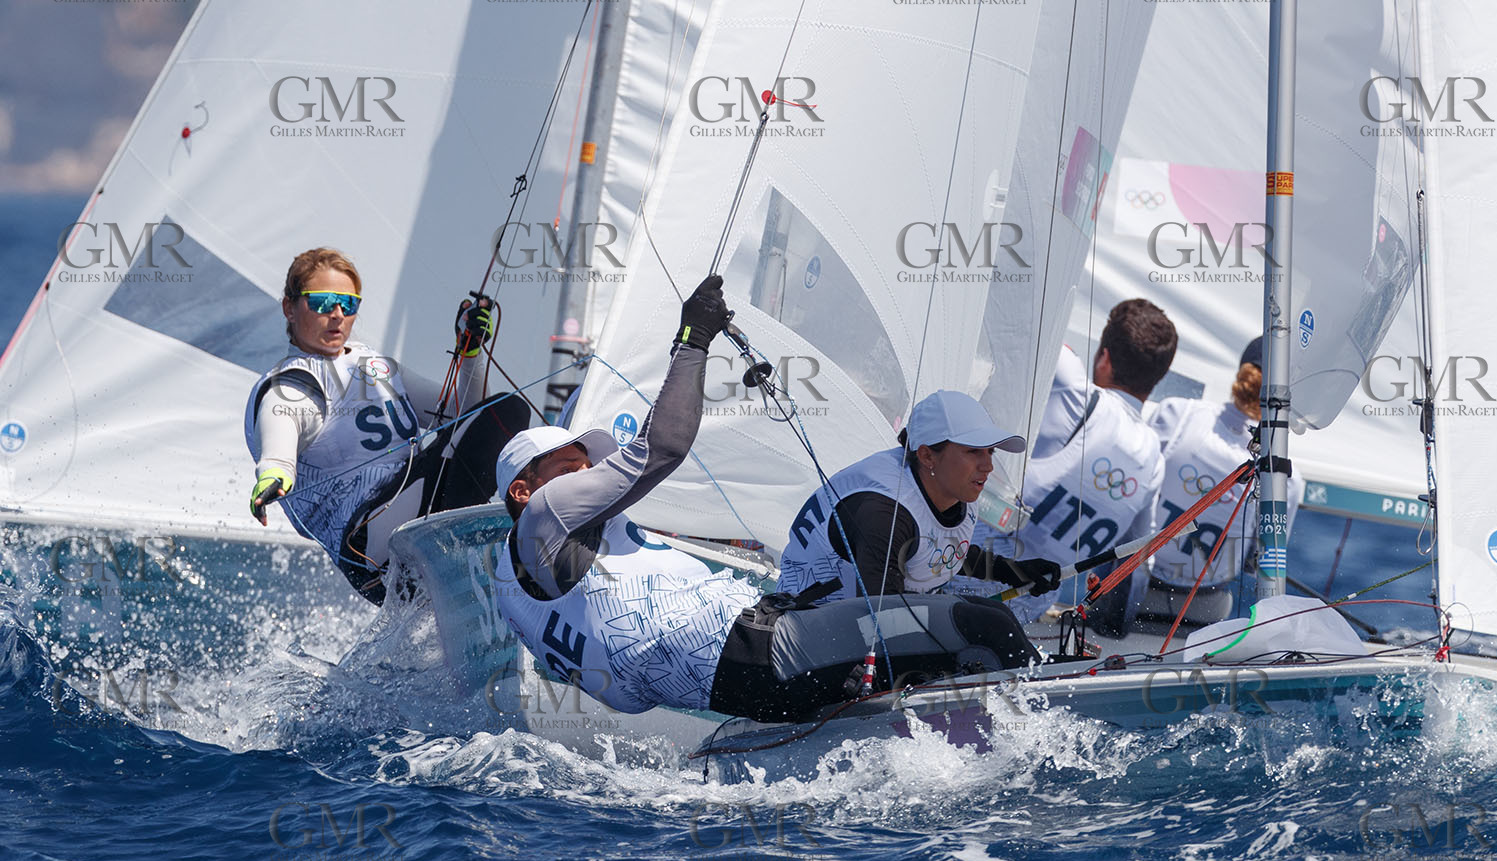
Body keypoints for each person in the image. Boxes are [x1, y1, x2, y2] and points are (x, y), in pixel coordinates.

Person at [494, 276, 1036, 722]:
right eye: (571, 467)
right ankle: (1049, 714)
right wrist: (693, 339)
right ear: (524, 491)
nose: (590, 473)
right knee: (985, 625)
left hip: (745, 681)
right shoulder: (544, 518)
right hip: (758, 652)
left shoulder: (515, 587)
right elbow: (663, 448)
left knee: (947, 646)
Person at [245, 247, 530, 604]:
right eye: (322, 302)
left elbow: (469, 415)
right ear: (290, 307)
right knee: (502, 414)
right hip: (368, 543)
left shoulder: (376, 365)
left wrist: (469, 353)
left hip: (412, 512)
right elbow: (282, 423)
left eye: (348, 304)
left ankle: (505, 564)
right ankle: (467, 565)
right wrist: (274, 472)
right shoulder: (292, 383)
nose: (337, 314)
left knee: (506, 412)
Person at [980, 298, 1177, 633]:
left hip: (965, 571)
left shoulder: (1074, 392)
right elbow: (1138, 556)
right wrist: (1116, 627)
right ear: (1158, 377)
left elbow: (1019, 312)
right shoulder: (1153, 461)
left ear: (1104, 358)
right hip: (1026, 607)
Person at [778, 390, 1062, 604]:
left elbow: (935, 550)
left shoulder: (953, 491)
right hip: (802, 630)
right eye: (974, 451)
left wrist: (1012, 571)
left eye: (990, 451)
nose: (988, 466)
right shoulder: (884, 512)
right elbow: (881, 618)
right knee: (981, 621)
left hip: (855, 625)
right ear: (927, 455)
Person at [1136, 336, 1302, 624]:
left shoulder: (1177, 414)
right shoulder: (1285, 477)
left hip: (1131, 593)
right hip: (1203, 608)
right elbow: (1257, 563)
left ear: (1242, 370)